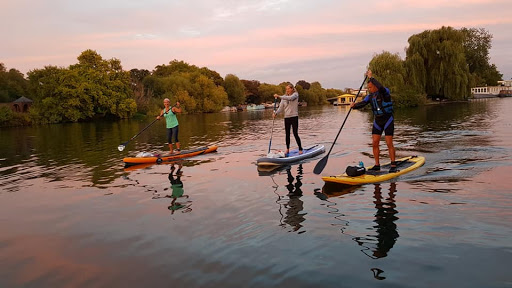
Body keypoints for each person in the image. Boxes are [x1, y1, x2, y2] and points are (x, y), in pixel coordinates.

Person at [350, 70, 397, 172]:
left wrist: (371, 78)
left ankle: (393, 164)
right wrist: (354, 106)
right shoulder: (370, 96)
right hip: (378, 121)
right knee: (375, 142)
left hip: (388, 119)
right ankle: (377, 164)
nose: (369, 89)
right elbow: (362, 103)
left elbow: (380, 87)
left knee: (389, 142)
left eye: (370, 87)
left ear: (375, 86)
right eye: (368, 88)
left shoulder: (385, 92)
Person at [273, 83, 303, 156]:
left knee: (295, 133)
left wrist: (279, 96)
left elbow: (290, 98)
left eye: (289, 89)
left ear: (292, 89)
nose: (287, 90)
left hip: (294, 116)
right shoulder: (284, 98)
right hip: (287, 117)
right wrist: (275, 113)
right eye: (286, 89)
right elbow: (280, 108)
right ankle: (287, 149)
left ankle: (300, 148)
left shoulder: (295, 95)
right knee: (287, 134)